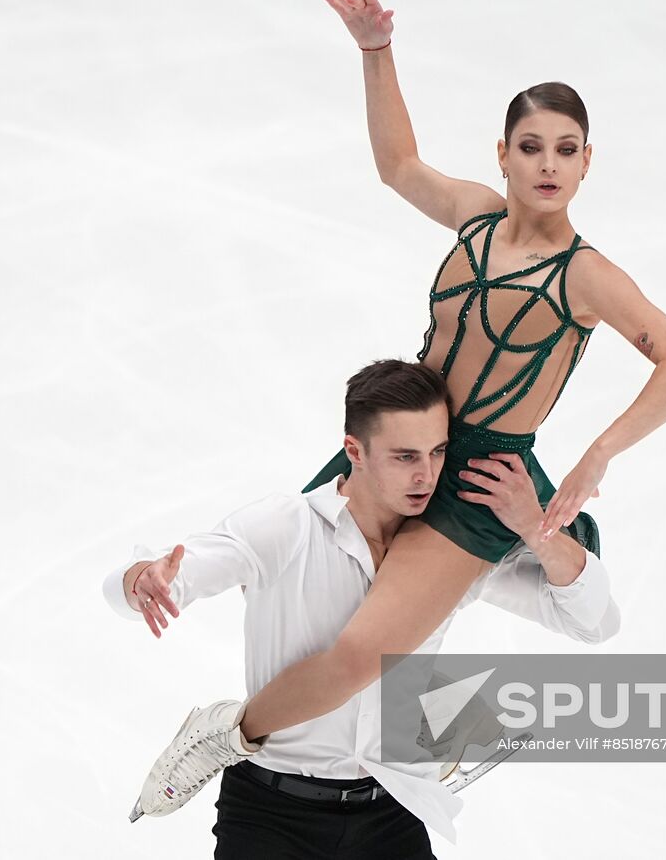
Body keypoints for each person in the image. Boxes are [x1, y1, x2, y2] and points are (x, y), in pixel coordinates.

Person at [135, 0, 666, 818]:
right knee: (311, 595)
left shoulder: (585, 274)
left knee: (362, 650)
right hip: (404, 428)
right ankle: (437, 730)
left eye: (566, 147)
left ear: (588, 161)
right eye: (531, 146)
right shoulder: (476, 218)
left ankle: (227, 736)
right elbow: (397, 165)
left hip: (477, 479)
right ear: (503, 154)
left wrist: (593, 460)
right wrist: (377, 51)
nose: (548, 164)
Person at [111, 360, 619, 856]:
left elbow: (593, 622)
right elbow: (164, 577)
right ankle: (225, 729)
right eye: (405, 457)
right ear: (354, 449)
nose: (426, 475)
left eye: (438, 452)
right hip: (271, 812)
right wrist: (142, 580)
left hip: (390, 814)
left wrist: (535, 527)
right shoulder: (289, 526)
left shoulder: (448, 558)